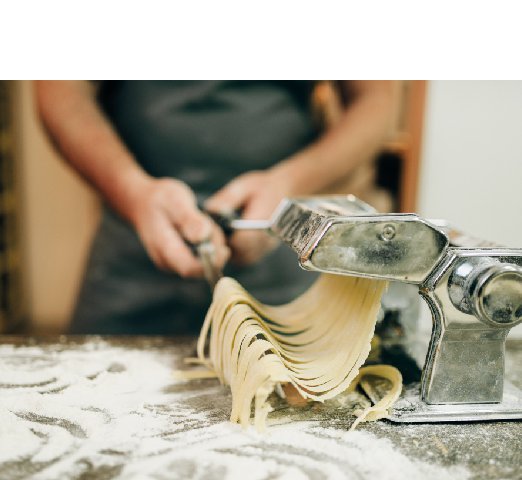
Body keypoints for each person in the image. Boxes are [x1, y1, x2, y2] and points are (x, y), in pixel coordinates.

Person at [36, 81, 399, 335]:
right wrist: (131, 192)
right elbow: (59, 88)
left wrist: (290, 182)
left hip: (280, 244)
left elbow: (376, 98)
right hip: (130, 248)